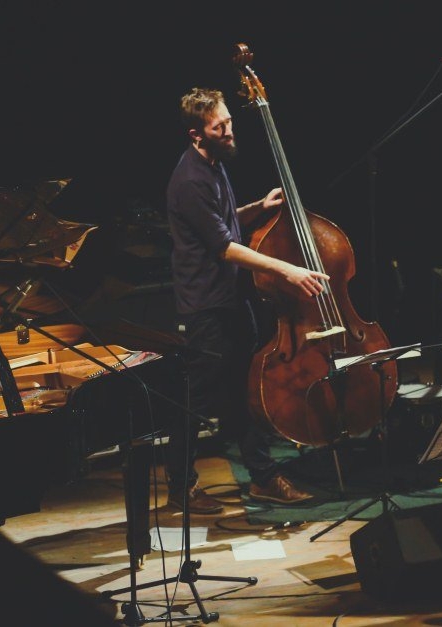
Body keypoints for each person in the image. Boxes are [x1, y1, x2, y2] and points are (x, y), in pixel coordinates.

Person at [164, 87, 327, 514]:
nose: (229, 131)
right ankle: (181, 489)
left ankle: (263, 477)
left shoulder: (214, 164)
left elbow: (223, 223)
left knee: (244, 391)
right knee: (195, 403)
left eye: (229, 122)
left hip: (230, 298)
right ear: (196, 134)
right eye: (219, 127)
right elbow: (223, 246)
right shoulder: (189, 180)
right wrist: (287, 269)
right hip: (205, 306)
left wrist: (258, 206)